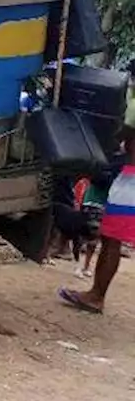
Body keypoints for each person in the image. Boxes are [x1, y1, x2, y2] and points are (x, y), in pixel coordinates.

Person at [58, 83, 135, 314]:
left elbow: (122, 132)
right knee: (112, 238)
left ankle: (96, 296)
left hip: (131, 180)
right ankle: (96, 294)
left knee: (111, 238)